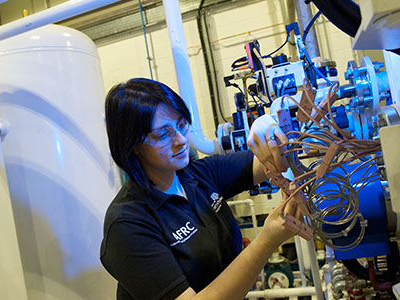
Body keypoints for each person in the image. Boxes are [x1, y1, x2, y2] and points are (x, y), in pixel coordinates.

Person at [100, 78, 303, 300]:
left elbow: (271, 162)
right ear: (132, 146)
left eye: (180, 125)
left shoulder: (198, 175)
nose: (180, 140)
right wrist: (266, 243)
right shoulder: (127, 223)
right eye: (162, 134)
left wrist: (271, 130)